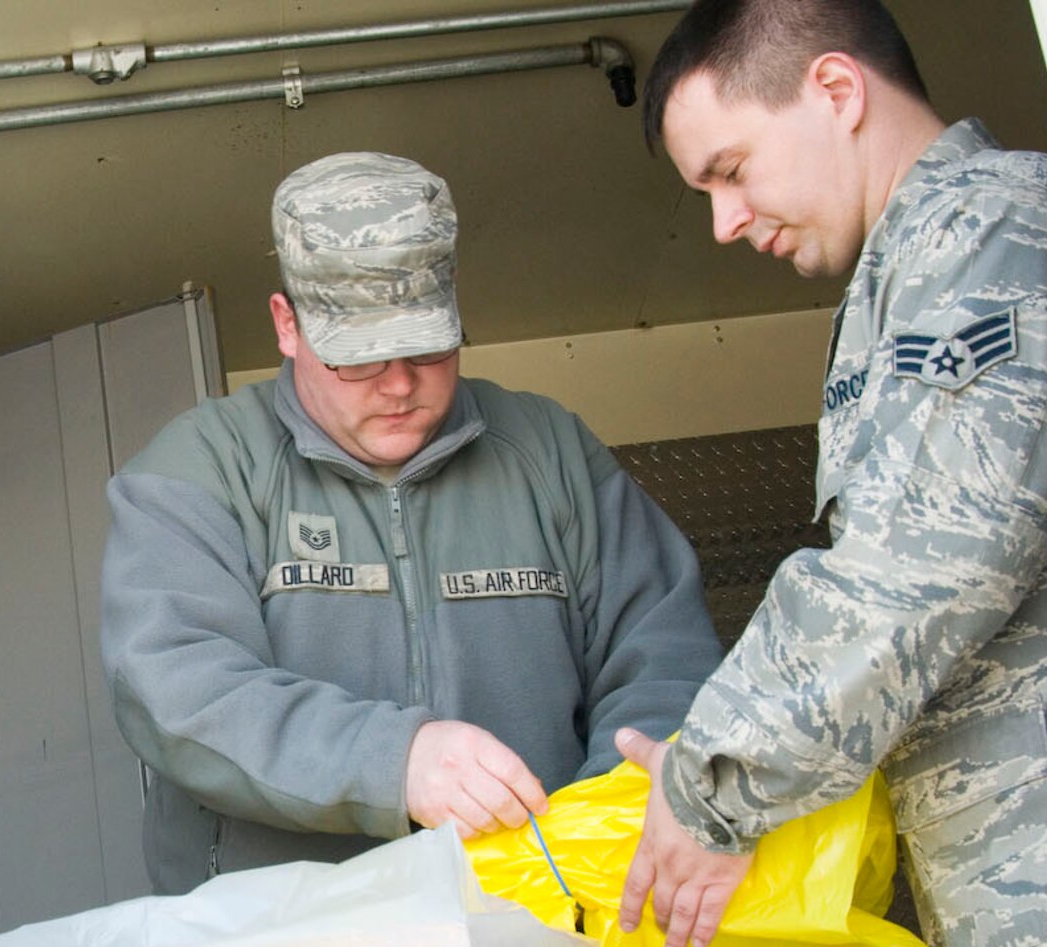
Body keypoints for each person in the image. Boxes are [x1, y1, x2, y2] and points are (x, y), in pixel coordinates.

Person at [621, 0, 1047, 947]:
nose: (722, 221)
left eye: (727, 170)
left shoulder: (995, 228)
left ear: (834, 89)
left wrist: (712, 785)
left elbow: (924, 557)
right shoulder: (912, 276)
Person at [100, 151, 723, 894]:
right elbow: (177, 689)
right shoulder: (200, 467)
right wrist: (393, 761)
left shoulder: (551, 452)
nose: (398, 384)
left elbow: (662, 656)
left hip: (529, 935)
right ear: (287, 325)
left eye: (425, 346)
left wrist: (597, 835)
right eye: (358, 359)